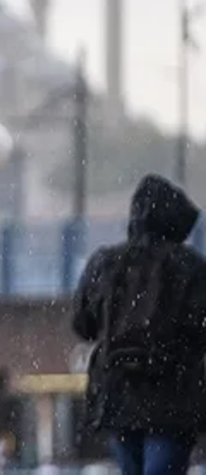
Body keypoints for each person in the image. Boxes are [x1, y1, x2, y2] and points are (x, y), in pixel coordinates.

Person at [73, 174, 206, 475]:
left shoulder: (105, 263)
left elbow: (83, 324)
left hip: (118, 394)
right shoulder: (191, 267)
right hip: (174, 397)